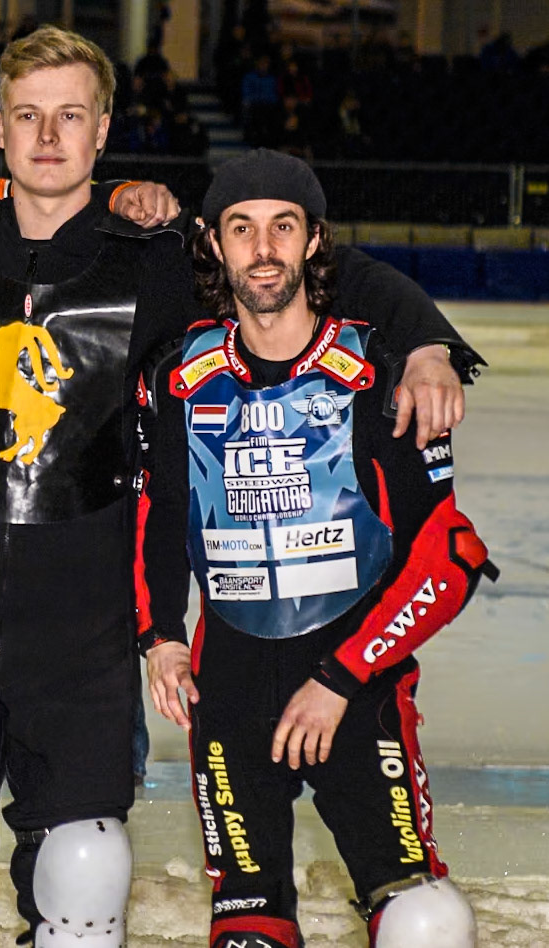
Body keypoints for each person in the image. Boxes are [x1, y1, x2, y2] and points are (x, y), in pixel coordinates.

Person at [0, 27, 477, 947]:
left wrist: (427, 343)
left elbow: (297, 269)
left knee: (79, 871)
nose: (48, 137)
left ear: (102, 129)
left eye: (70, 116)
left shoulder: (153, 257)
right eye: (28, 116)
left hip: (81, 633)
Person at [136, 149, 495, 948]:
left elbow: (448, 556)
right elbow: (156, 513)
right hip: (227, 693)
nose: (262, 249)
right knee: (246, 932)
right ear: (212, 243)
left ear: (313, 240)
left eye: (282, 227)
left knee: (424, 919)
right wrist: (159, 636)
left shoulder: (379, 374)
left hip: (354, 689)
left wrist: (340, 677)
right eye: (241, 229)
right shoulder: (178, 378)